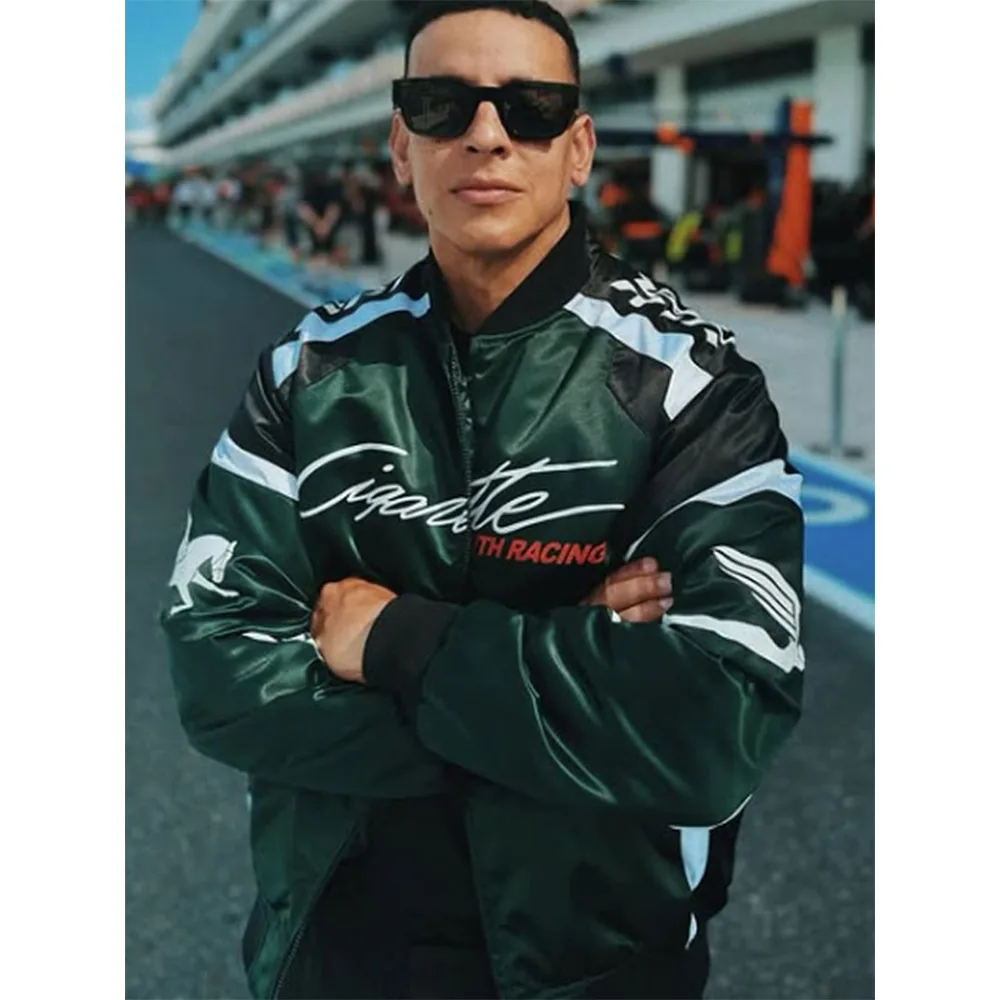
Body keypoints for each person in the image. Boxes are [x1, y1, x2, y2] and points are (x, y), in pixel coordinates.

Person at [160, 3, 806, 999]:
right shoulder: (309, 372)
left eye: (531, 106)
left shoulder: (692, 388)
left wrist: (396, 640)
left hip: (601, 957)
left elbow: (714, 723)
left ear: (578, 147)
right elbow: (219, 675)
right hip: (335, 941)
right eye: (441, 103)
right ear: (400, 144)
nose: (488, 133)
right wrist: (563, 669)